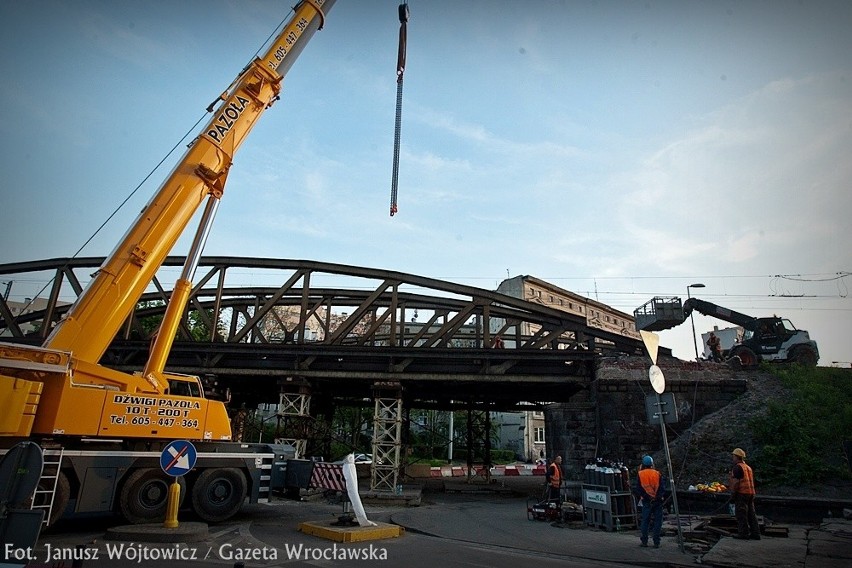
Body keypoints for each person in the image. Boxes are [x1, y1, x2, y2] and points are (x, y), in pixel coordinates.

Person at [633, 455, 668, 548]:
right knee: (658, 522)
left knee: (645, 521)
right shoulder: (657, 474)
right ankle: (656, 542)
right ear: (652, 464)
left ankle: (644, 541)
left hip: (646, 501)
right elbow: (662, 488)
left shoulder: (640, 474)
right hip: (657, 501)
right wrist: (658, 497)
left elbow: (639, 489)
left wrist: (646, 497)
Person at [729, 448, 761, 540]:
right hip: (750, 493)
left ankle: (743, 534)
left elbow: (736, 482)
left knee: (741, 513)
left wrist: (733, 493)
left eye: (733, 456)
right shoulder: (748, 467)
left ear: (736, 457)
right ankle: (756, 533)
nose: (733, 457)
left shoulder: (737, 467)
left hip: (742, 493)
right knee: (751, 514)